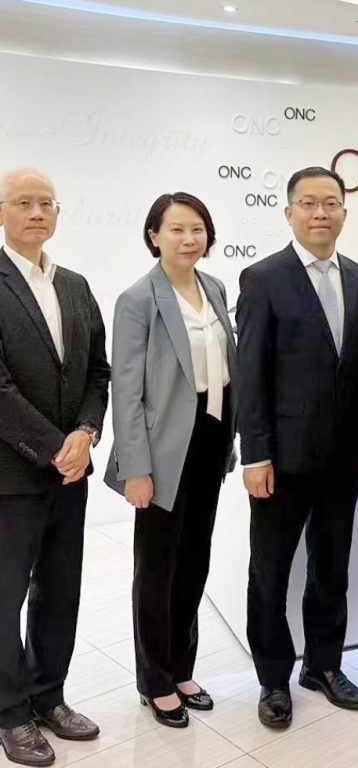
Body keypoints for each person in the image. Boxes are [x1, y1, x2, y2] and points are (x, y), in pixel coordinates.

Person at [237, 166, 358, 730]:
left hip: (342, 459)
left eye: (331, 203)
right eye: (308, 203)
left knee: (331, 567)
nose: (321, 213)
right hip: (281, 458)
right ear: (289, 212)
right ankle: (273, 678)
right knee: (270, 572)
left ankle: (323, 666)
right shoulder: (263, 278)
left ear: (344, 211)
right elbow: (250, 374)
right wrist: (255, 454)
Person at [104, 193, 237, 727]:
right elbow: (126, 390)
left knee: (194, 560)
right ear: (154, 235)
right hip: (161, 451)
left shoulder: (215, 287)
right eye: (177, 229)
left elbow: (224, 369)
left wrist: (229, 439)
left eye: (197, 229)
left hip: (210, 439)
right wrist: (135, 468)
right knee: (157, 568)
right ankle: (154, 680)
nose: (189, 239)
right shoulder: (138, 299)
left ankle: (182, 668)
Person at [0, 168, 110, 767]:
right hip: (11, 475)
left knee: (60, 590)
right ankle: (10, 712)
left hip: (71, 473)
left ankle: (49, 697)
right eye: (24, 202)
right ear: (2, 212)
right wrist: (53, 446)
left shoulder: (75, 284)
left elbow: (97, 372)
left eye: (46, 203)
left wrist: (86, 434)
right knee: (5, 596)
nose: (37, 212)